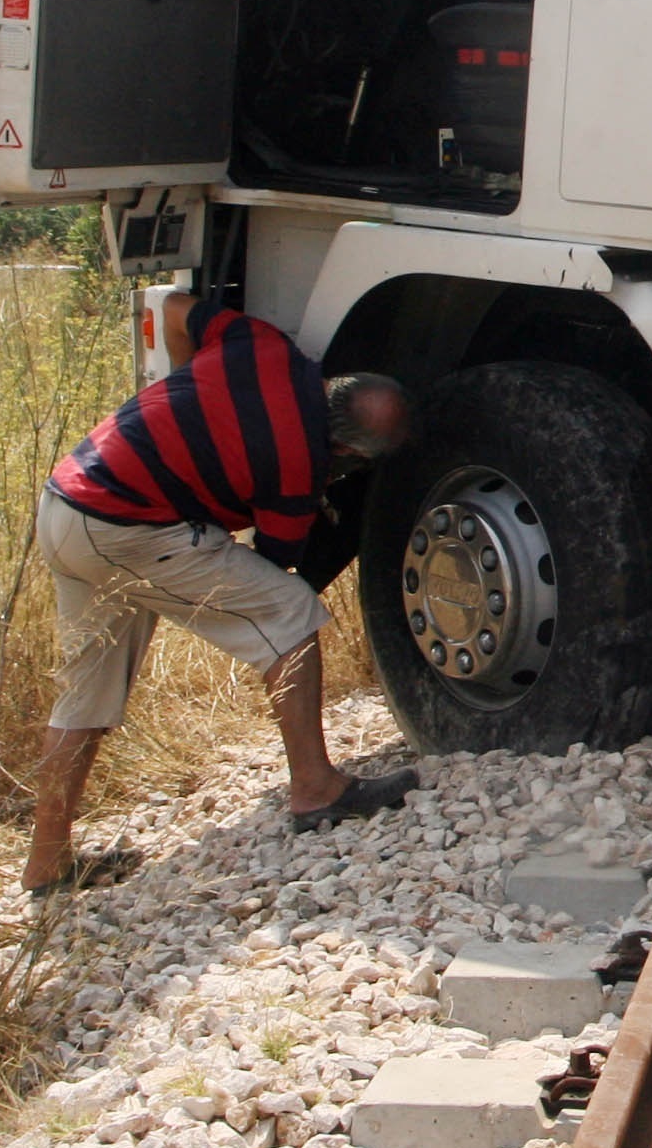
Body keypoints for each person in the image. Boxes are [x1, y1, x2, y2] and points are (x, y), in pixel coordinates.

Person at [24, 290, 414, 893]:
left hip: (68, 500)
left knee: (86, 692)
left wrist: (191, 407)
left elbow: (173, 308)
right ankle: (315, 788)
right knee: (291, 617)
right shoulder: (296, 467)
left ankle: (46, 864)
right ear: (343, 451)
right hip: (125, 525)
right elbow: (279, 571)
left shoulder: (263, 345)